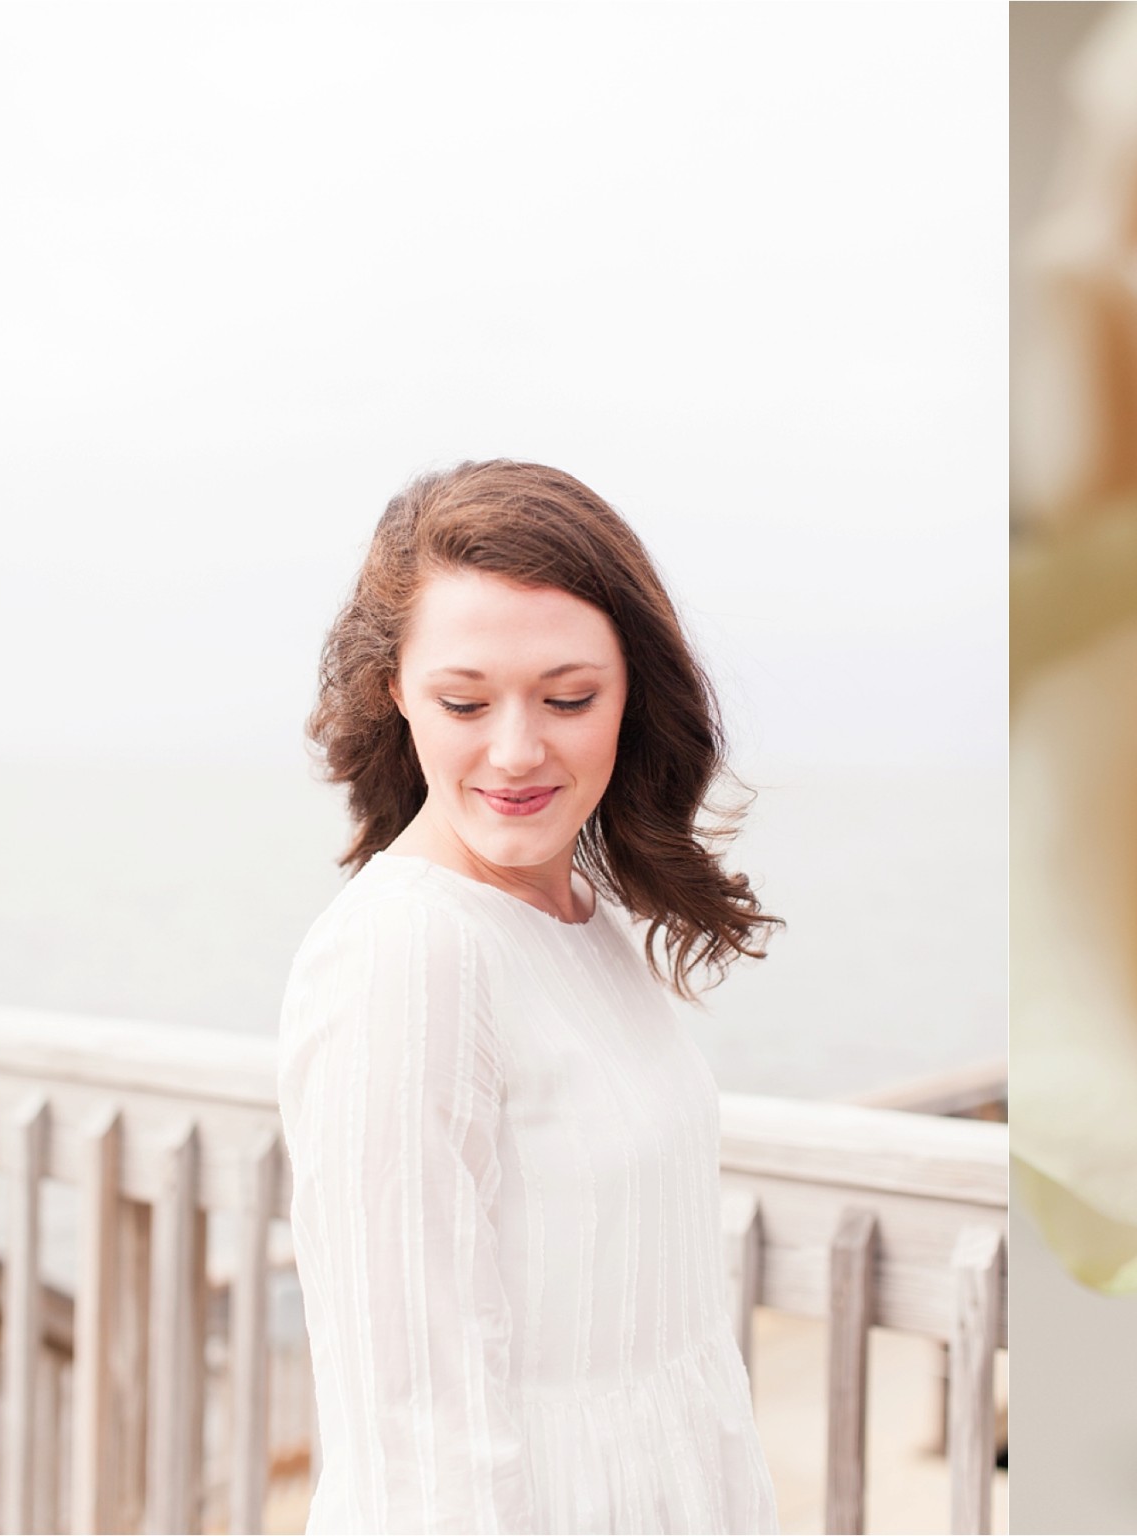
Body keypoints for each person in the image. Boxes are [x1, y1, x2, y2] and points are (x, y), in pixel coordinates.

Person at [276, 460, 781, 1533]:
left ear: (632, 692)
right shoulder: (405, 953)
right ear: (395, 694)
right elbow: (409, 1419)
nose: (516, 751)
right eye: (465, 700)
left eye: (568, 698)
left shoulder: (583, 921)